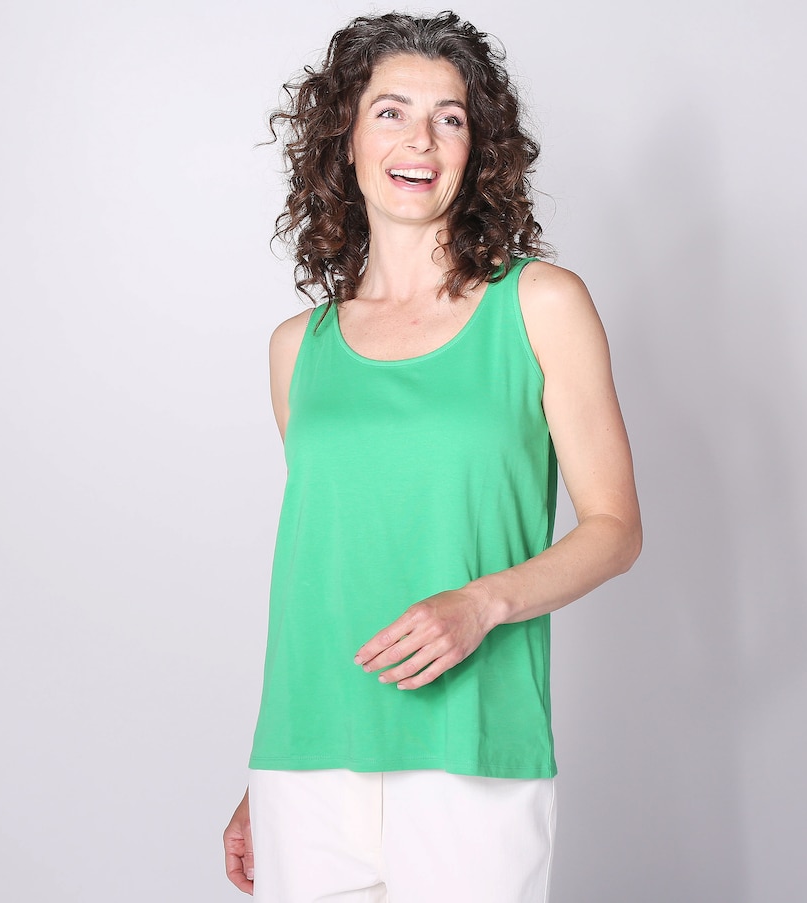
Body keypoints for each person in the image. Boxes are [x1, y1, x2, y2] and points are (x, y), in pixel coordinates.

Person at [223, 10, 641, 902]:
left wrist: (481, 603)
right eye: (391, 112)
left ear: (475, 147)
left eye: (449, 118)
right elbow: (333, 561)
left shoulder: (540, 304)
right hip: (306, 758)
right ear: (344, 138)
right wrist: (267, 773)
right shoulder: (298, 348)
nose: (420, 140)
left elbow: (615, 529)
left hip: (472, 744)